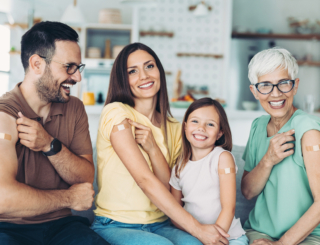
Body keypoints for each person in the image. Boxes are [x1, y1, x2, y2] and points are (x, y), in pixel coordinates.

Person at [91, 42, 229, 245]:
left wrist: (154, 149)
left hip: (161, 224)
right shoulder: (117, 113)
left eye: (149, 66)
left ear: (159, 71)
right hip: (115, 224)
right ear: (123, 79)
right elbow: (145, 180)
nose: (144, 76)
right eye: (132, 71)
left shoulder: (174, 127)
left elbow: (170, 190)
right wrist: (197, 229)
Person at [0, 21, 109, 245]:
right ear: (37, 64)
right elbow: (3, 198)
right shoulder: (4, 115)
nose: (77, 77)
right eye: (69, 67)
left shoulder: (74, 108)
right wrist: (69, 198)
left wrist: (50, 145)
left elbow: (85, 178)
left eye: (78, 67)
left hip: (63, 226)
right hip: (9, 228)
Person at [241, 47, 320, 245]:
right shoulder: (258, 126)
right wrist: (268, 160)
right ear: (255, 91)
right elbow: (248, 192)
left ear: (295, 86)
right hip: (259, 232)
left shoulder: (308, 131)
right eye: (265, 85)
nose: (275, 94)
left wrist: (281, 244)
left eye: (283, 83)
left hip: (309, 236)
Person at [169, 98, 248, 245]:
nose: (201, 128)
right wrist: (198, 233)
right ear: (185, 127)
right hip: (194, 236)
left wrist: (214, 239)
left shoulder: (223, 158)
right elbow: (175, 213)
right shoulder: (178, 167)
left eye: (210, 124)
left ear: (219, 133)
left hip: (229, 237)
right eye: (195, 121)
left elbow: (228, 208)